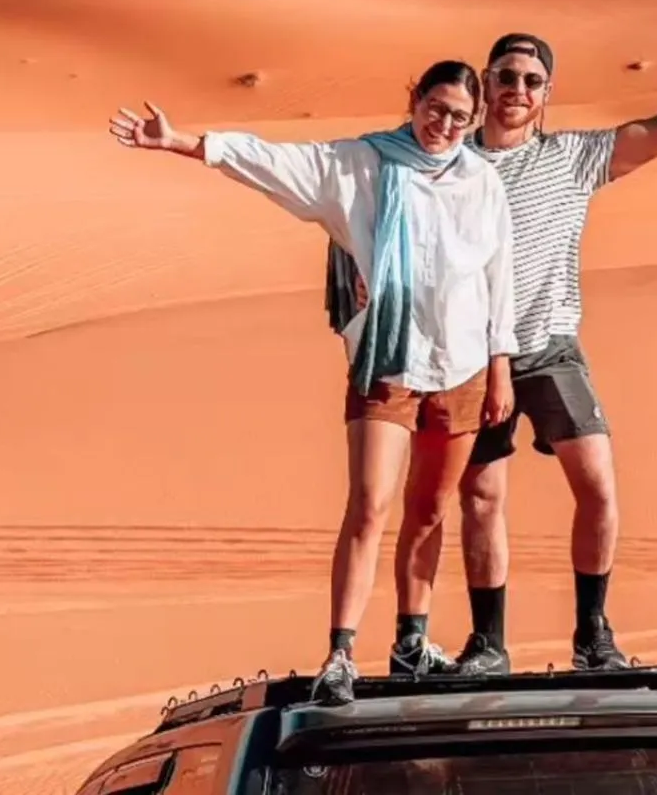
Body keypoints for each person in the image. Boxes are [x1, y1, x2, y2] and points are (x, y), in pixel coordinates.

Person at [108, 59, 518, 707]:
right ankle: (341, 653)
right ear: (413, 100)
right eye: (434, 108)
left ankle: (413, 641)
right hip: (389, 361)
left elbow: (499, 276)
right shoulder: (361, 165)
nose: (442, 125)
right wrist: (186, 143)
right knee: (370, 503)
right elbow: (275, 163)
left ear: (474, 122)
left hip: (464, 364)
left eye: (458, 117)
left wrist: (501, 363)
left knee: (432, 509)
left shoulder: (482, 182)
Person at [443, 6, 657, 676]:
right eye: (507, 77)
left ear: (547, 94)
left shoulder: (572, 157)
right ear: (485, 85)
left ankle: (592, 634)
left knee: (597, 487)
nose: (518, 90)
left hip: (550, 345)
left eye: (532, 81)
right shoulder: (447, 163)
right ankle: (489, 643)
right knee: (481, 496)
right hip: (467, 355)